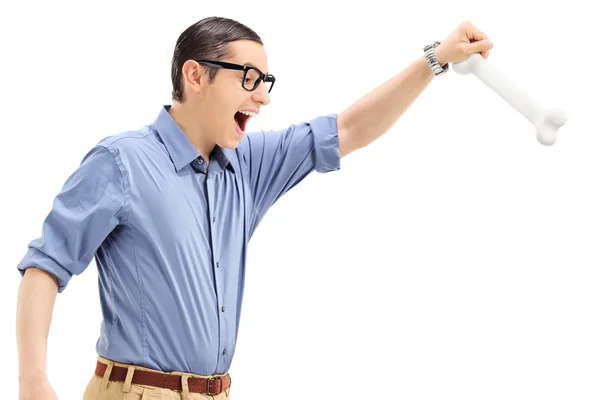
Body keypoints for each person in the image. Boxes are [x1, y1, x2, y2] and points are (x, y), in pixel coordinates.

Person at [16, 16, 493, 400]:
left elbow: (349, 129)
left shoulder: (247, 165)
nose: (262, 96)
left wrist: (435, 59)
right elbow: (45, 266)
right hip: (137, 394)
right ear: (196, 74)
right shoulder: (121, 162)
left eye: (266, 81)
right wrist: (33, 381)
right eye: (249, 78)